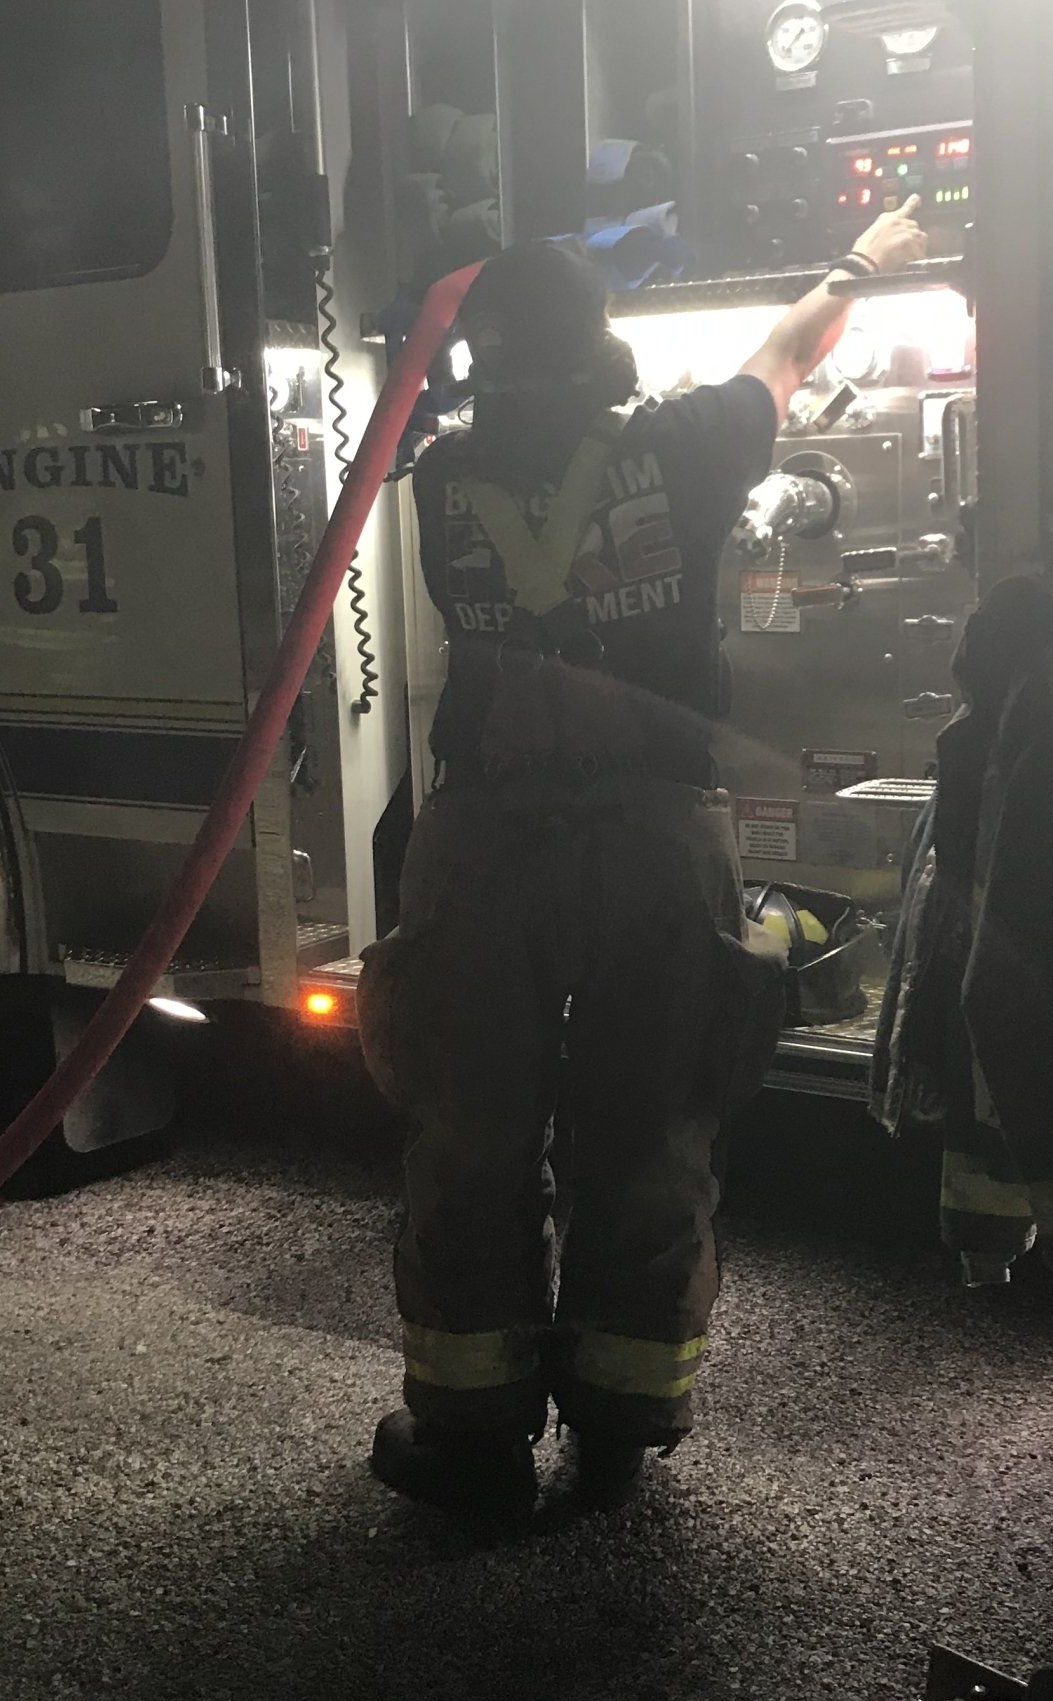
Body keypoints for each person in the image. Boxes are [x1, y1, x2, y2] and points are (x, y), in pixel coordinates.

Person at [357, 196, 930, 1520]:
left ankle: (472, 1438)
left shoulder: (442, 478)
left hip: (486, 835)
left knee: (472, 1134)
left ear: (482, 360)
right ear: (603, 349)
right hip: (652, 839)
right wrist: (863, 259)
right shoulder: (687, 446)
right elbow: (785, 358)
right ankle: (618, 1424)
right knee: (648, 1124)